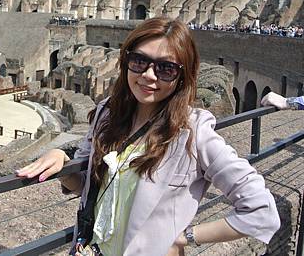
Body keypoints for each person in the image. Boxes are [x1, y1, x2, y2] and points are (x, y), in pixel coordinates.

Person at [17, 17, 280, 256]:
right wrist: (62, 160)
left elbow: (261, 211)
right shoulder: (107, 114)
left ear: (182, 76)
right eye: (139, 61)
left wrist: (184, 238)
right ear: (126, 61)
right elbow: (86, 187)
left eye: (166, 68)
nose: (149, 75)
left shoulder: (193, 133)